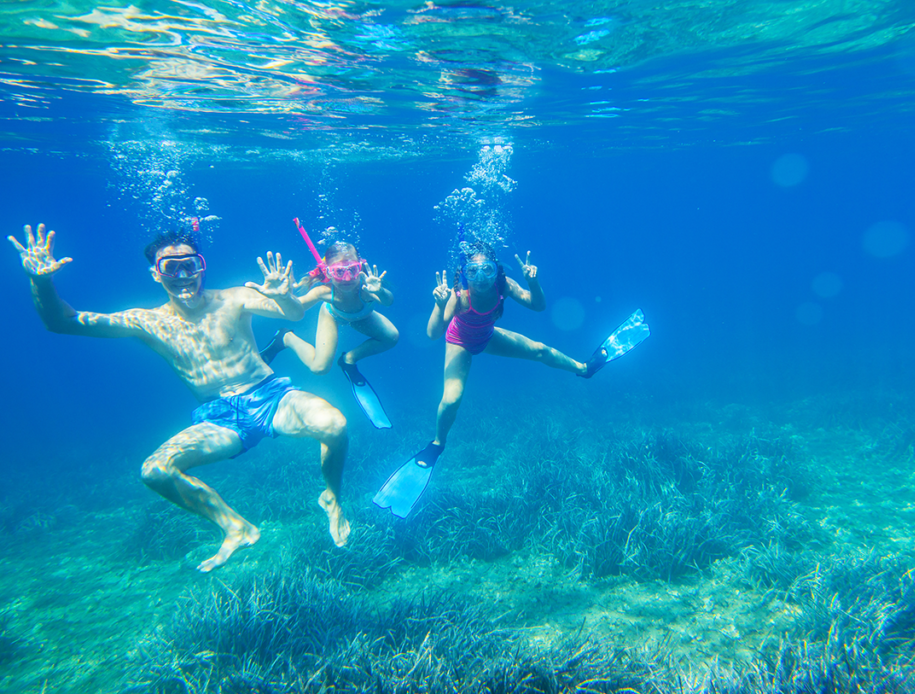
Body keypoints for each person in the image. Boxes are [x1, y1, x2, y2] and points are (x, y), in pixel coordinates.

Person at [8, 223, 352, 572]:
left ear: (203, 265)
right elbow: (63, 322)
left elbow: (293, 314)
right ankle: (236, 528)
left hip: (271, 397)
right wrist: (41, 281)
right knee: (156, 471)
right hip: (219, 417)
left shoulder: (233, 298)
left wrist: (282, 296)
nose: (184, 275)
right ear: (155, 275)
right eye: (170, 267)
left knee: (335, 425)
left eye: (191, 264)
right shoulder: (146, 321)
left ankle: (332, 497)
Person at [372, 241, 648, 519]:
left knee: (540, 350)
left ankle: (585, 367)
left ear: (496, 271)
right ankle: (437, 445)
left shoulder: (503, 285)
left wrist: (534, 282)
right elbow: (433, 333)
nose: (481, 277)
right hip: (460, 342)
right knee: (452, 399)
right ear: (466, 273)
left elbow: (537, 305)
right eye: (474, 271)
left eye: (487, 270)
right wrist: (439, 304)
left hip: (488, 336)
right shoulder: (459, 295)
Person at [260, 241, 398, 429]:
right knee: (319, 368)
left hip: (362, 316)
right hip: (333, 315)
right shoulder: (324, 292)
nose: (348, 278)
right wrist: (284, 297)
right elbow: (296, 309)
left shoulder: (367, 287)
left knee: (391, 337)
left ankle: (349, 359)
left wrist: (379, 291)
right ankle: (286, 338)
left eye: (353, 270)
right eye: (339, 272)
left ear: (361, 267)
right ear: (328, 272)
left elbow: (388, 301)